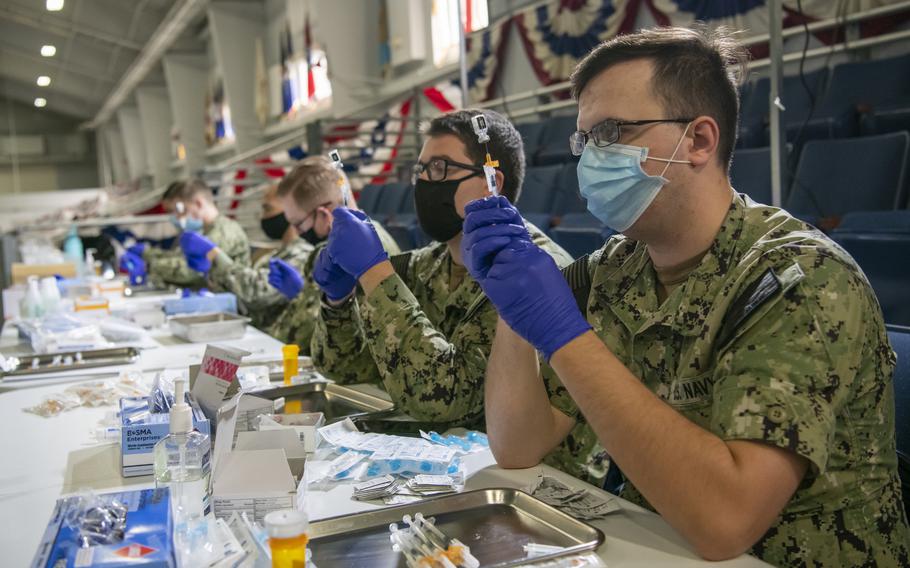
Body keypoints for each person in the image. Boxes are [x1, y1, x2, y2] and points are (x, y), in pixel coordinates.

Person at [462, 27, 910, 566]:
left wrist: (562, 334)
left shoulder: (800, 279)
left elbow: (727, 522)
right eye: (584, 140)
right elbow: (517, 446)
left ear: (698, 141)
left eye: (610, 132)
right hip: (660, 545)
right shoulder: (617, 269)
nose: (587, 160)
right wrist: (516, 309)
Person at [310, 109, 572, 430]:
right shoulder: (426, 264)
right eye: (419, 169)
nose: (423, 182)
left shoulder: (532, 269)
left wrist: (374, 272)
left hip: (527, 470)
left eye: (439, 168)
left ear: (492, 184)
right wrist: (337, 302)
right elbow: (350, 366)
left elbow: (447, 401)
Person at [266, 156, 400, 348]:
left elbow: (301, 338)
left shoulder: (345, 251)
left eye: (298, 224)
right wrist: (301, 295)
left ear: (323, 214)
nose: (296, 233)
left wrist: (304, 301)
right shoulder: (375, 235)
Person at [178, 183, 314, 331]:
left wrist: (215, 256)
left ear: (291, 212)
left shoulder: (302, 253)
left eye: (268, 208)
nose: (263, 216)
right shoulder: (278, 251)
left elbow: (256, 293)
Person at [122, 179, 250, 289]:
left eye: (179, 211)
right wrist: (146, 253)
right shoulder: (203, 231)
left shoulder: (224, 231)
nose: (176, 218)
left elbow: (190, 270)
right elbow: (179, 257)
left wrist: (148, 266)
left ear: (199, 203)